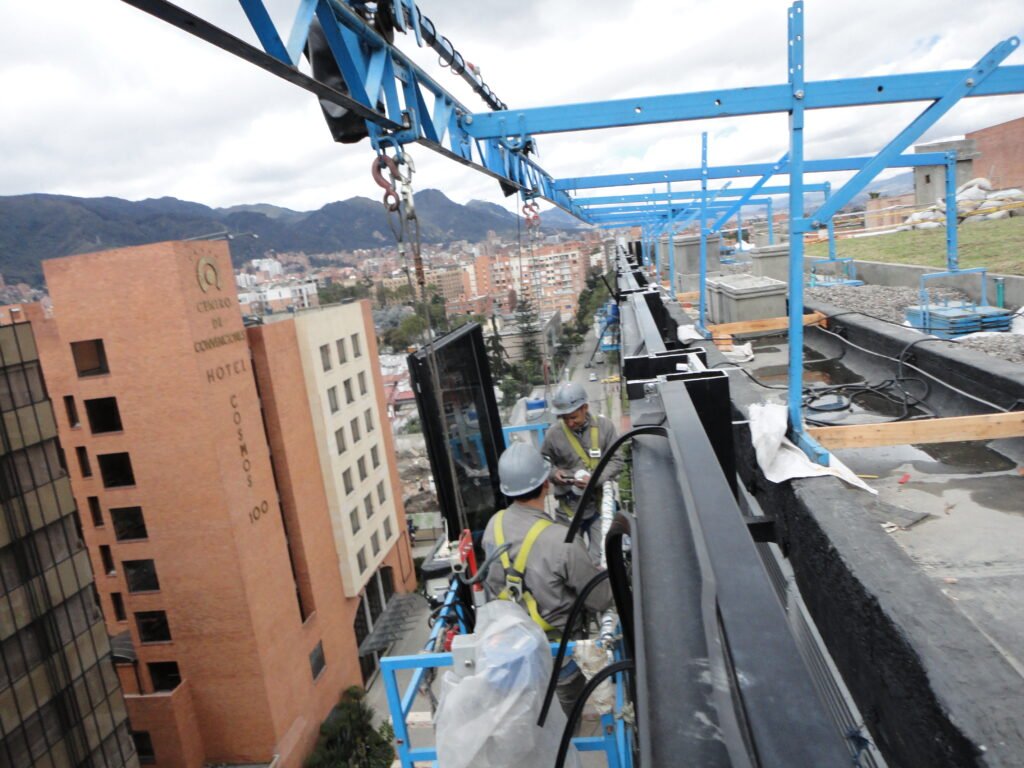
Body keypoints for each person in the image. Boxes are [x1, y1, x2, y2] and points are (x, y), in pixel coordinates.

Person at [481, 441, 612, 718]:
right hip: (558, 659)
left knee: (528, 725)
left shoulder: (493, 527)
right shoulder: (562, 541)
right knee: (561, 729)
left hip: (513, 657)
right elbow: (600, 599)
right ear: (546, 485)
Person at [541, 382, 623, 561]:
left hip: (598, 507)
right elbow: (544, 463)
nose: (570, 423)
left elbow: (617, 460)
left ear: (585, 408)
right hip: (569, 508)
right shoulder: (553, 435)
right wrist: (554, 474)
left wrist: (596, 479)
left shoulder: (605, 427)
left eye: (573, 417)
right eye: (564, 418)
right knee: (569, 559)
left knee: (603, 558)